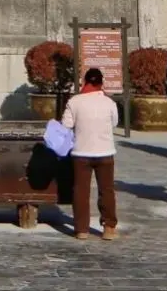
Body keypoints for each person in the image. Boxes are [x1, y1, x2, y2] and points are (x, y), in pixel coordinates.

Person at [61, 66, 119, 241]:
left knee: (81, 190)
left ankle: (81, 229)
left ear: (85, 81)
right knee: (107, 190)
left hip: (81, 152)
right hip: (105, 151)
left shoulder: (75, 102)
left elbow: (66, 125)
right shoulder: (109, 103)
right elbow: (115, 123)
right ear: (102, 83)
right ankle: (109, 227)